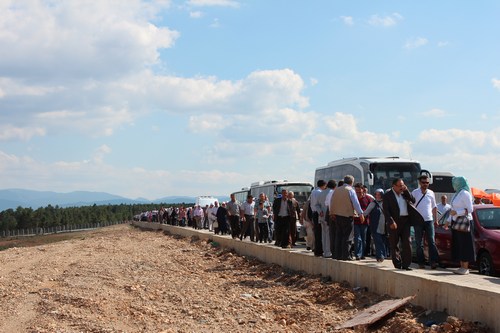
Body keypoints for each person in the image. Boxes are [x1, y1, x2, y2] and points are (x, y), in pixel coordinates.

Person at [383, 178, 424, 270]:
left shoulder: (404, 193)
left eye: (403, 185)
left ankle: (406, 264)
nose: (402, 187)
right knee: (394, 244)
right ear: (394, 186)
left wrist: (406, 191)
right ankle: (397, 264)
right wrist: (391, 221)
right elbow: (386, 210)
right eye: (400, 186)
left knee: (407, 242)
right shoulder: (387, 196)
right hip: (394, 221)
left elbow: (413, 200)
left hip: (405, 221)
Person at [329, 175, 364, 261]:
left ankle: (337, 254)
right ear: (352, 182)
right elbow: (355, 203)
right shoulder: (350, 190)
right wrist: (360, 214)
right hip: (347, 216)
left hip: (337, 216)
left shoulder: (336, 190)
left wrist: (332, 213)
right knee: (348, 236)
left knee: (339, 235)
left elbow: (332, 202)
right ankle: (346, 255)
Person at [445, 176, 474, 275]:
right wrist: (448, 221)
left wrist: (457, 212)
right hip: (456, 222)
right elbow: (452, 210)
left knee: (465, 244)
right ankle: (461, 266)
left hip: (464, 223)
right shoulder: (456, 194)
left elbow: (470, 209)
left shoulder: (465, 194)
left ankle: (465, 267)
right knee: (458, 244)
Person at [412, 175, 439, 269]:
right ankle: (421, 263)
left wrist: (436, 220)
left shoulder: (431, 193)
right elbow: (411, 206)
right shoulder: (415, 192)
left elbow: (434, 207)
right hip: (418, 221)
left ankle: (433, 262)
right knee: (419, 243)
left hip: (429, 220)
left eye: (427, 183)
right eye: (423, 182)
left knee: (431, 241)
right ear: (420, 183)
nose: (425, 184)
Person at [363, 189, 388, 262]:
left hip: (384, 226)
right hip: (375, 226)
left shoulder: (385, 203)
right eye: (376, 194)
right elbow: (366, 213)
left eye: (379, 194)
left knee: (383, 241)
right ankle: (380, 256)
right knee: (378, 241)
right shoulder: (373, 204)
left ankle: (382, 255)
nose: (377, 196)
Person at [353, 183, 372, 260]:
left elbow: (370, 209)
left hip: (364, 222)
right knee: (357, 238)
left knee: (363, 238)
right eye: (356, 191)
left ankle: (362, 254)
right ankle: (358, 254)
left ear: (362, 190)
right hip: (355, 221)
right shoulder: (353, 198)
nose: (357, 193)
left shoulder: (368, 198)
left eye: (359, 191)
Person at [318, 180, 336, 258]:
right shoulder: (332, 192)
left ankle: (325, 251)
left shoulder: (321, 193)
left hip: (321, 216)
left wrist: (320, 211)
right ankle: (328, 252)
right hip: (329, 216)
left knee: (324, 234)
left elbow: (316, 205)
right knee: (329, 234)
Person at [310, 180, 327, 256]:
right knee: (320, 232)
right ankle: (320, 250)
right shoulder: (320, 192)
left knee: (317, 232)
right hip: (319, 213)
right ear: (323, 185)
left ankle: (317, 250)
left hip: (314, 212)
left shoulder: (313, 191)